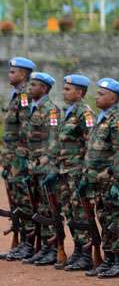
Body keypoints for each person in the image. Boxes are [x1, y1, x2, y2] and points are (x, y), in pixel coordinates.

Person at [83, 78, 119, 279]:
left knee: (115, 220)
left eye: (102, 94)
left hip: (111, 181)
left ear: (113, 98)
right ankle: (109, 258)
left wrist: (117, 181)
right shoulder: (102, 118)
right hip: (98, 181)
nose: (97, 96)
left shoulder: (118, 121)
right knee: (104, 219)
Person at [55, 74, 96, 272]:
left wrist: (86, 173)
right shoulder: (67, 112)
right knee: (70, 213)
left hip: (77, 172)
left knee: (81, 212)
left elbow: (91, 144)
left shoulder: (84, 113)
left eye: (68, 89)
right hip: (65, 171)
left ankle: (86, 253)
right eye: (64, 88)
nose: (64, 92)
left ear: (79, 92)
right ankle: (78, 250)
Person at [21, 72, 60, 266]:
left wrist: (48, 165)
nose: (30, 87)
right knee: (37, 207)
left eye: (34, 85)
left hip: (44, 167)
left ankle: (52, 247)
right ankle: (44, 246)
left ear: (44, 88)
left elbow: (53, 139)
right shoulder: (33, 108)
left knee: (48, 208)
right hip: (33, 166)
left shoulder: (51, 110)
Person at [1, 57, 36, 261]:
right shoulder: (16, 94)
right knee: (16, 201)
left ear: (23, 74)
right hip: (11, 157)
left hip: (19, 158)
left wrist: (20, 157)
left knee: (24, 201)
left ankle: (28, 243)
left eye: (13, 71)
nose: (9, 74)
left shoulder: (24, 95)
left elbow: (25, 128)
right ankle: (23, 241)